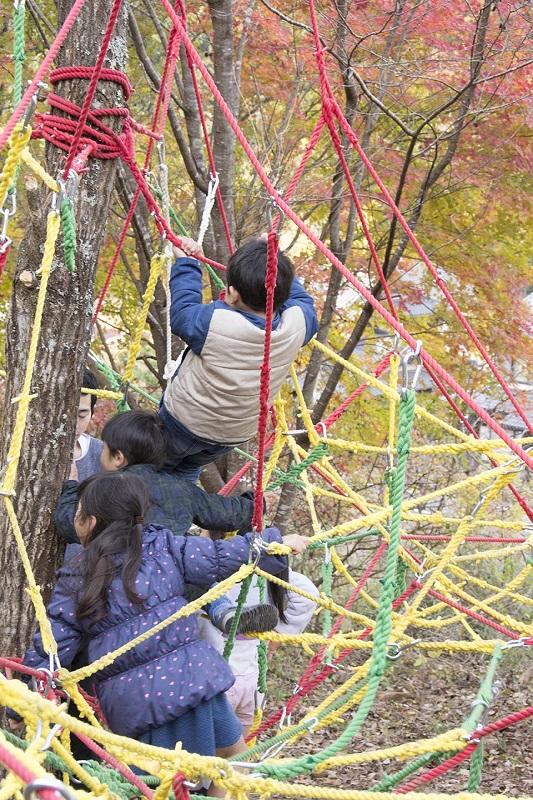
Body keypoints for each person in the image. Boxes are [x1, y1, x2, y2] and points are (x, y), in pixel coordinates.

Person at [24, 472, 309, 797]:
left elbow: (51, 646)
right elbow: (221, 556)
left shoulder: (75, 575)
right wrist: (274, 543)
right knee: (234, 762)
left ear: (89, 521)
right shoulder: (165, 545)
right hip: (195, 681)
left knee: (161, 785)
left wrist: (20, 703)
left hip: (139, 703)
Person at [56, 410, 278, 635]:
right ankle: (224, 611)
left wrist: (71, 485)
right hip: (169, 583)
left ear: (118, 457)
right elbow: (224, 513)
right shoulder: (181, 489)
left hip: (116, 588)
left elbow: (68, 524)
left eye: (104, 448)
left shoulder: (106, 490)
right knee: (194, 571)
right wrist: (256, 504)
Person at [159, 236, 318, 481]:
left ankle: (135, 509)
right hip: (231, 436)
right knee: (188, 469)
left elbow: (181, 314)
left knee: (152, 468)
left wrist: (187, 264)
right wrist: (273, 263)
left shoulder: (216, 323)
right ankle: (175, 510)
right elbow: (303, 302)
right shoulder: (297, 325)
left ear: (231, 294)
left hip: (183, 422)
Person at [198, 568, 319, 736]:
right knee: (239, 750)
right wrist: (278, 634)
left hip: (213, 678)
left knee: (207, 751)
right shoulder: (267, 568)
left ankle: (227, 619)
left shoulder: (206, 570)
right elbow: (307, 593)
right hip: (252, 679)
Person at [64, 369, 104, 560]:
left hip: (87, 571)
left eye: (82, 414)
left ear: (92, 412)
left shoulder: (103, 454)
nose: (74, 423)